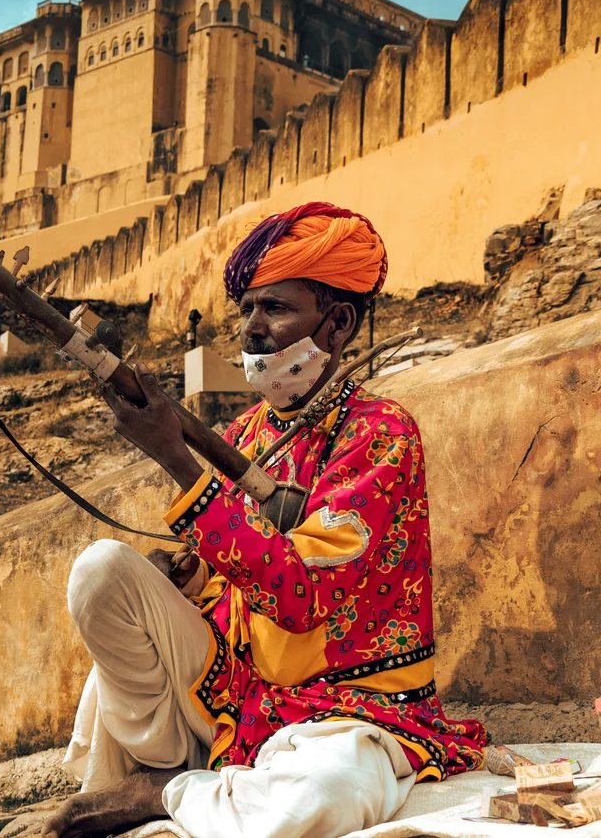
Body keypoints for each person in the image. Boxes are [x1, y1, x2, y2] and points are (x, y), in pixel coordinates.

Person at [45, 203, 487, 838]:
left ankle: (165, 791)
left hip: (350, 708)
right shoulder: (246, 433)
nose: (251, 329)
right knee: (101, 571)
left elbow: (299, 599)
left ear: (338, 324)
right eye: (246, 309)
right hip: (239, 694)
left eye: (275, 308)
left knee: (317, 800)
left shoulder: (381, 434)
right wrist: (189, 579)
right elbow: (234, 585)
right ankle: (179, 766)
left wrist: (177, 460)